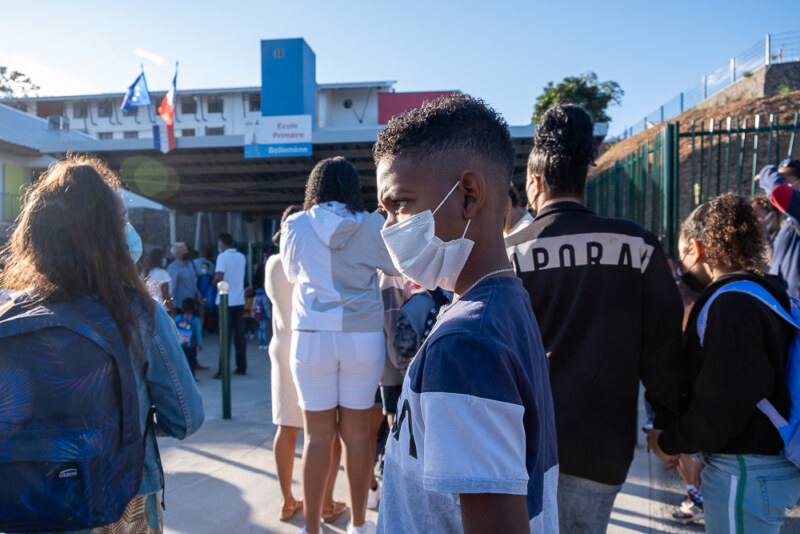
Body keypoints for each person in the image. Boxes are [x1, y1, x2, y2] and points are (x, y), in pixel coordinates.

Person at [373, 93, 559, 533]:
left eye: (399, 203)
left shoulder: (466, 343)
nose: (388, 227)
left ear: (469, 195)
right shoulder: (501, 303)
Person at [0, 154, 204, 533]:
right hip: (118, 498)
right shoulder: (138, 313)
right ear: (110, 235)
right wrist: (117, 422)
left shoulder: (9, 313)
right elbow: (186, 419)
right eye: (122, 220)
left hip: (21, 504)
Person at [505, 102, 684, 533]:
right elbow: (665, 349)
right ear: (585, 175)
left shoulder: (506, 255)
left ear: (534, 182)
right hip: (603, 446)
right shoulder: (637, 246)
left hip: (521, 447)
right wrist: (668, 427)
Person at [648, 192, 800, 533]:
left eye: (682, 253)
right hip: (762, 466)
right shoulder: (767, 294)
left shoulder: (731, 305)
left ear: (697, 249)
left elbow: (723, 405)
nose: (680, 266)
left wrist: (668, 442)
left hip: (746, 470)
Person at [281, 157, 398, 534]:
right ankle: (361, 526)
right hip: (362, 337)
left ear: (313, 189)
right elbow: (396, 267)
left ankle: (312, 528)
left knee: (317, 436)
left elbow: (292, 273)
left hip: (312, 335)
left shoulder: (295, 225)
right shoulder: (372, 225)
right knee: (358, 434)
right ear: (353, 189)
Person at [267, 205, 346, 525]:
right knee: (326, 432)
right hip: (312, 346)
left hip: (280, 344)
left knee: (286, 428)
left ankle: (287, 501)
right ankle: (325, 503)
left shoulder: (273, 262)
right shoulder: (310, 261)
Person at [758, 161, 800, 297]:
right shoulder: (789, 223)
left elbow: (779, 193)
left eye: (785, 181)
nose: (779, 183)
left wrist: (767, 172)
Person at [213, 233, 247, 378]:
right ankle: (241, 367)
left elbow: (219, 276)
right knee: (240, 337)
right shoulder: (241, 256)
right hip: (239, 300)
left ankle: (222, 370)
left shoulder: (222, 257)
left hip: (225, 301)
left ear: (221, 244)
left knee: (224, 337)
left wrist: (212, 282)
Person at [168, 242, 202, 314]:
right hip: (181, 306)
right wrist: (172, 307)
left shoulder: (191, 263)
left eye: (186, 250)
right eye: (183, 251)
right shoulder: (173, 268)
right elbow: (172, 288)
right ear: (175, 254)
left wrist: (197, 292)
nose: (186, 252)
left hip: (193, 303)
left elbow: (195, 280)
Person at [174, 297, 203, 380]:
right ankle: (192, 377)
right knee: (191, 361)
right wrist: (199, 344)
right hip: (191, 345)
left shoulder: (178, 318)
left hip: (180, 344)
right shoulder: (195, 319)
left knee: (181, 361)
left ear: (182, 308)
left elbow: (173, 328)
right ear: (194, 308)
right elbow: (198, 332)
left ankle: (181, 377)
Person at [140, 248, 174, 315]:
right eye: (163, 258)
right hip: (162, 310)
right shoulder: (162, 273)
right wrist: (173, 312)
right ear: (160, 260)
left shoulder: (143, 273)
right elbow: (166, 295)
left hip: (147, 309)